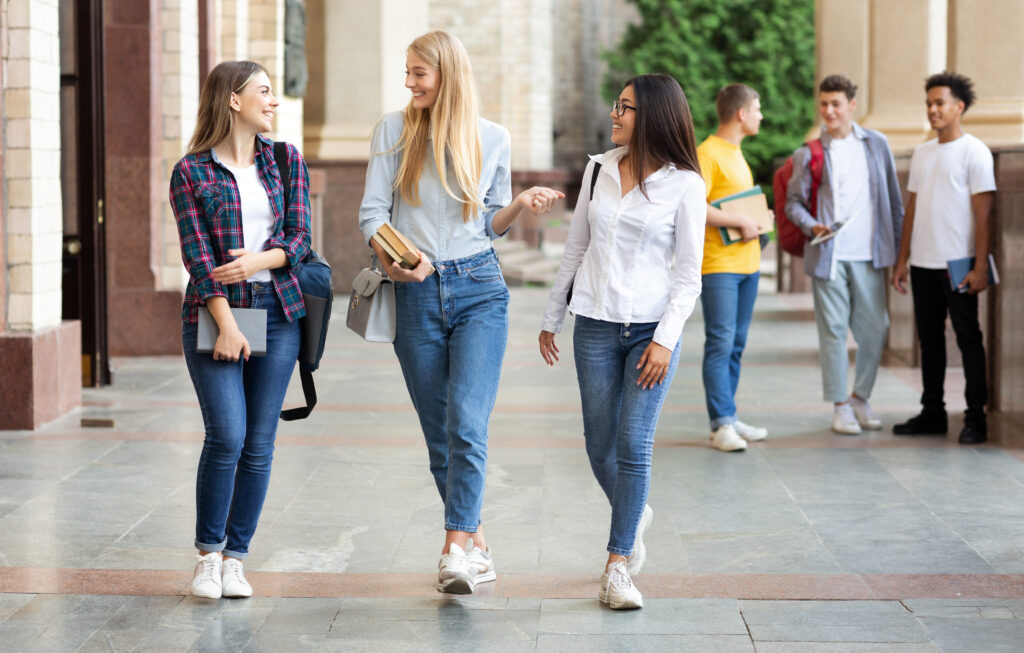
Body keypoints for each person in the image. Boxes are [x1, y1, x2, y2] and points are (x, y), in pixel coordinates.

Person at [358, 30, 563, 594]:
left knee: (468, 422)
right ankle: (477, 540)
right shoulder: (393, 131)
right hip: (415, 291)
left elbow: (489, 222)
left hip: (479, 288)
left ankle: (453, 548)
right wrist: (397, 259)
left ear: (446, 73)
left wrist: (518, 205)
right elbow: (373, 215)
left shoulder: (493, 138)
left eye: (418, 73)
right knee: (440, 435)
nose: (408, 83)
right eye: (407, 72)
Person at [539, 74, 706, 609]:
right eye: (616, 105)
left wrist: (664, 340)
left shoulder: (685, 185)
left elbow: (688, 276)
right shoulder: (598, 171)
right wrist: (552, 316)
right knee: (597, 444)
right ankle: (633, 511)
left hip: (652, 331)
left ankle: (617, 564)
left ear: (653, 116)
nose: (614, 114)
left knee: (634, 444)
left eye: (626, 107)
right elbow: (575, 248)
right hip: (594, 323)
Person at [169, 61, 311, 599]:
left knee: (259, 443)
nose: (273, 102)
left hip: (277, 310)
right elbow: (197, 256)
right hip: (214, 314)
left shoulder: (284, 159)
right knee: (226, 434)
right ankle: (208, 554)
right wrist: (226, 323)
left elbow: (299, 240)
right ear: (233, 99)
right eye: (264, 92)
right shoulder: (191, 171)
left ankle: (236, 558)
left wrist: (256, 263)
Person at [785, 74, 903, 435]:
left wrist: (899, 256)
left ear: (852, 105)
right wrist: (812, 225)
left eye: (836, 104)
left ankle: (860, 397)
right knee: (833, 331)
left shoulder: (876, 145)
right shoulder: (809, 154)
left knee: (876, 328)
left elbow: (894, 203)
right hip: (828, 256)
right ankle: (840, 406)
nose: (829, 111)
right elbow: (793, 204)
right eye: (823, 104)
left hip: (870, 255)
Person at [891, 71, 996, 444]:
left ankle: (975, 418)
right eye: (929, 104)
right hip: (922, 263)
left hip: (960, 264)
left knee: (969, 338)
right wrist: (901, 260)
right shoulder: (922, 153)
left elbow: (984, 214)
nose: (933, 110)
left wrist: (980, 265)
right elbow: (912, 209)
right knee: (930, 341)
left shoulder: (975, 152)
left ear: (959, 107)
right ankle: (932, 412)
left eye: (940, 103)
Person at [697, 83, 770, 452]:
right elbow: (694, 204)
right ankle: (721, 423)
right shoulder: (707, 153)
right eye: (757, 109)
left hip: (748, 264)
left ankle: (729, 415)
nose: (761, 115)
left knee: (736, 344)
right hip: (719, 266)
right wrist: (741, 221)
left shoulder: (737, 154)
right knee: (721, 342)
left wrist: (756, 221)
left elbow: (732, 204)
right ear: (741, 114)